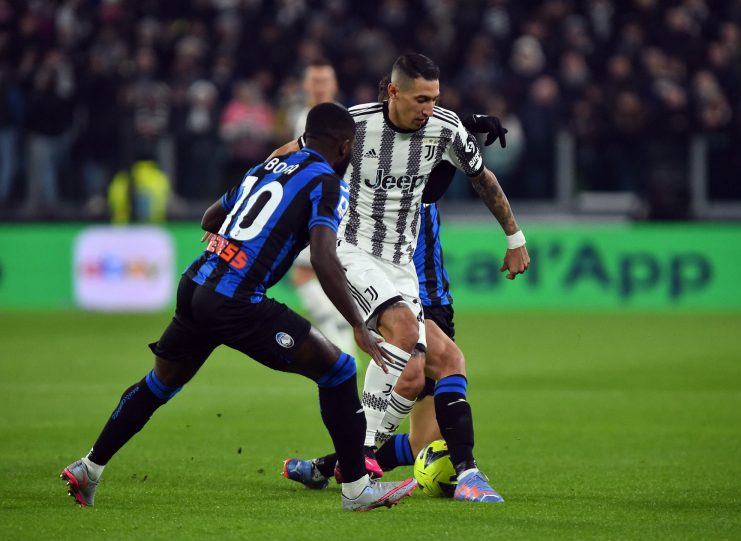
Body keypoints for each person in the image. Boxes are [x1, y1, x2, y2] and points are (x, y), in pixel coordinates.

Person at [60, 103, 418, 512]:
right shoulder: (324, 181)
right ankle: (356, 489)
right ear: (345, 145)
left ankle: (90, 467)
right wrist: (357, 323)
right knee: (338, 371)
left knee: (160, 384)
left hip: (196, 284)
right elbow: (323, 258)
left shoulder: (266, 166)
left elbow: (211, 218)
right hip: (236, 300)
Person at [276, 53, 529, 502]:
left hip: (400, 267)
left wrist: (514, 237)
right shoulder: (355, 125)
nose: (428, 108)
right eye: (420, 99)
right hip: (352, 251)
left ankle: (361, 460)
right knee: (409, 337)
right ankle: (373, 467)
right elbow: (288, 155)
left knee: (429, 369)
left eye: (434, 98)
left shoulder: (447, 128)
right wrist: (241, 204)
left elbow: (482, 177)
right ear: (393, 92)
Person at [289, 60, 357, 356]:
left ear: (334, 85)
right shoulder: (301, 116)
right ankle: (343, 337)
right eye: (314, 81)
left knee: (311, 271)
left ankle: (342, 339)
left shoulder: (346, 119)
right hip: (316, 204)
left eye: (323, 81)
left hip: (332, 205)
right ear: (305, 85)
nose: (318, 86)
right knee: (314, 272)